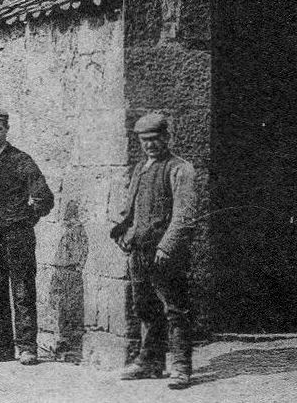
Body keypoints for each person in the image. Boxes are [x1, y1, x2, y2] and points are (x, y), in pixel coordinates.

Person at [110, 113, 196, 390]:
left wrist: (167, 246)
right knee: (144, 307)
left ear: (166, 138)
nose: (150, 145)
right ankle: (150, 362)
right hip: (140, 251)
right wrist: (126, 235)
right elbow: (133, 211)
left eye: (155, 139)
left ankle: (181, 367)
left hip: (165, 254)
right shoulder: (140, 169)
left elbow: (184, 214)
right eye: (144, 140)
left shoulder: (180, 169)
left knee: (176, 310)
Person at [0, 112, 54, 366]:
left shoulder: (21, 160)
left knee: (22, 287)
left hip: (18, 235)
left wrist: (25, 219)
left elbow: (43, 198)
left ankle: (28, 348)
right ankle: (0, 347)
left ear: (7, 130)